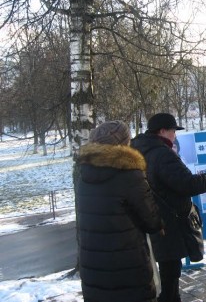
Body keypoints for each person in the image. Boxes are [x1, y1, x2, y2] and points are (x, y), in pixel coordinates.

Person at [131, 113, 206, 302]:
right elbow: (188, 184)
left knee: (169, 275)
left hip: (154, 221)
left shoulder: (140, 150)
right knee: (170, 278)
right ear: (162, 131)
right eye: (172, 131)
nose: (175, 135)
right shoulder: (162, 154)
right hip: (169, 224)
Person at [76, 120, 164, 302]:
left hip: (93, 270)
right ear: (124, 143)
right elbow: (152, 221)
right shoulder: (130, 174)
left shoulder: (83, 173)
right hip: (128, 267)